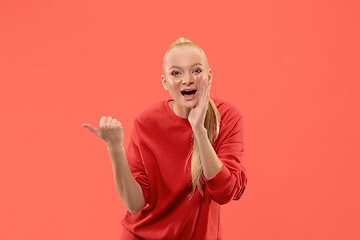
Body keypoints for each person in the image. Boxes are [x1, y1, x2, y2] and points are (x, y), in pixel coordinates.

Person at [82, 37, 247, 240]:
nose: (187, 79)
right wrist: (115, 148)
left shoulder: (227, 117)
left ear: (209, 76)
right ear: (164, 82)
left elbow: (225, 192)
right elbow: (135, 205)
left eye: (196, 70)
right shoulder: (146, 122)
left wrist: (199, 130)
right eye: (176, 73)